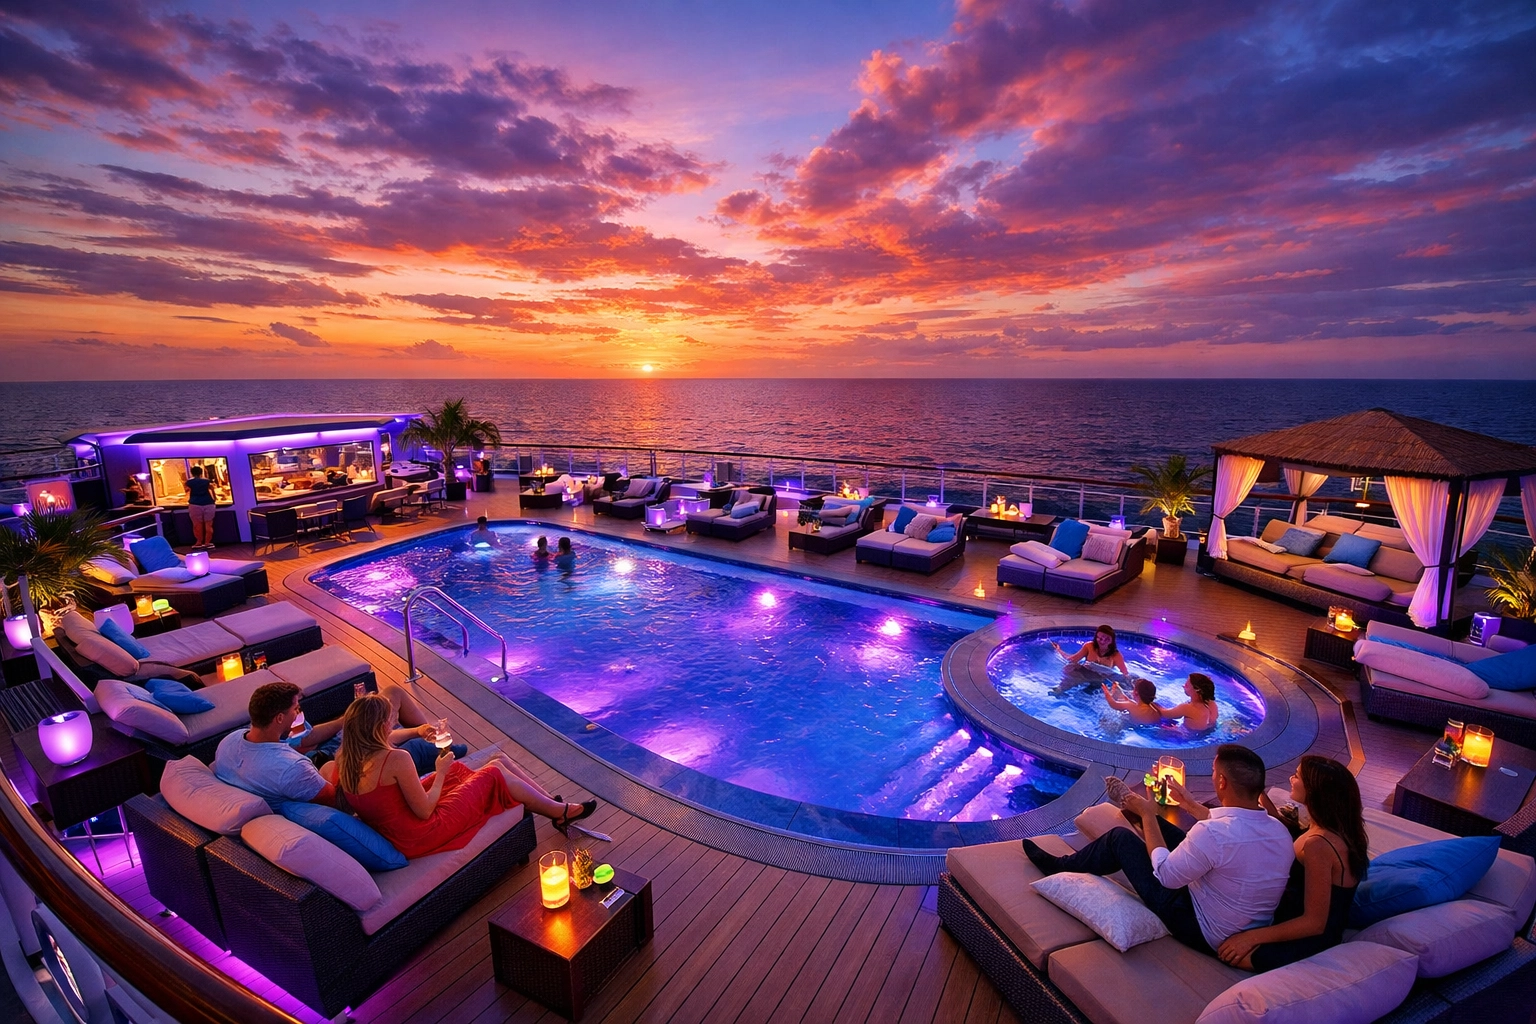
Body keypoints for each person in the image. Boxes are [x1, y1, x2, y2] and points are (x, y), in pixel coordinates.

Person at [1023, 744, 1293, 956]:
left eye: (1213, 772)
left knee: (1120, 839)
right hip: (1240, 923)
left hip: (1202, 929)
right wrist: (1187, 804)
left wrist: (1150, 815)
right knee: (1169, 831)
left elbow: (1166, 876)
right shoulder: (1279, 831)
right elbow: (1231, 831)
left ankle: (1062, 864)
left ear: (1222, 782)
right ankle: (1136, 810)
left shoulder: (1213, 834)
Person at [327, 695, 596, 858]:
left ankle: (550, 802)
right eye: (389, 721)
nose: (392, 724)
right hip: (421, 832)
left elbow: (386, 747)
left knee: (498, 761)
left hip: (397, 828)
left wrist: (417, 731)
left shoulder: (345, 757)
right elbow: (424, 811)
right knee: (493, 772)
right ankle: (559, 812)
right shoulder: (395, 760)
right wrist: (440, 771)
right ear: (378, 727)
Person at [1217, 756, 1367, 971]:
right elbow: (1288, 831)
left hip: (1308, 938)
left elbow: (1314, 923)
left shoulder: (1319, 845)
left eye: (1296, 776)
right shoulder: (1337, 828)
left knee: (1226, 949)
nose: (1291, 778)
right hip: (1298, 920)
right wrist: (1256, 793)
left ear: (1314, 790)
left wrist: (1251, 937)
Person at [215, 682, 338, 806]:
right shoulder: (293, 768)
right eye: (295, 709)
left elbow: (295, 743)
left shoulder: (229, 741)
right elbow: (335, 799)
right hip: (306, 779)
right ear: (279, 718)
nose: (298, 713)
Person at [1051, 625, 1129, 692]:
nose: (1103, 641)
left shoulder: (1116, 655)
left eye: (1107, 639)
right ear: (1096, 637)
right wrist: (1058, 650)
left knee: (1083, 695)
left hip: (1099, 681)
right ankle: (1059, 690)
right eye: (1100, 638)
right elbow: (1072, 659)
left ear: (1112, 641)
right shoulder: (1089, 646)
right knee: (1071, 668)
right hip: (1085, 674)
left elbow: (1125, 674)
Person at [185, 464, 218, 548]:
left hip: (195, 504)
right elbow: (212, 489)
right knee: (209, 524)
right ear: (201, 472)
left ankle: (198, 542)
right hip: (209, 503)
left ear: (192, 473)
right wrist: (214, 498)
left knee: (197, 525)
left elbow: (186, 491)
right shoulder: (207, 481)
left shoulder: (189, 482)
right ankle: (207, 543)